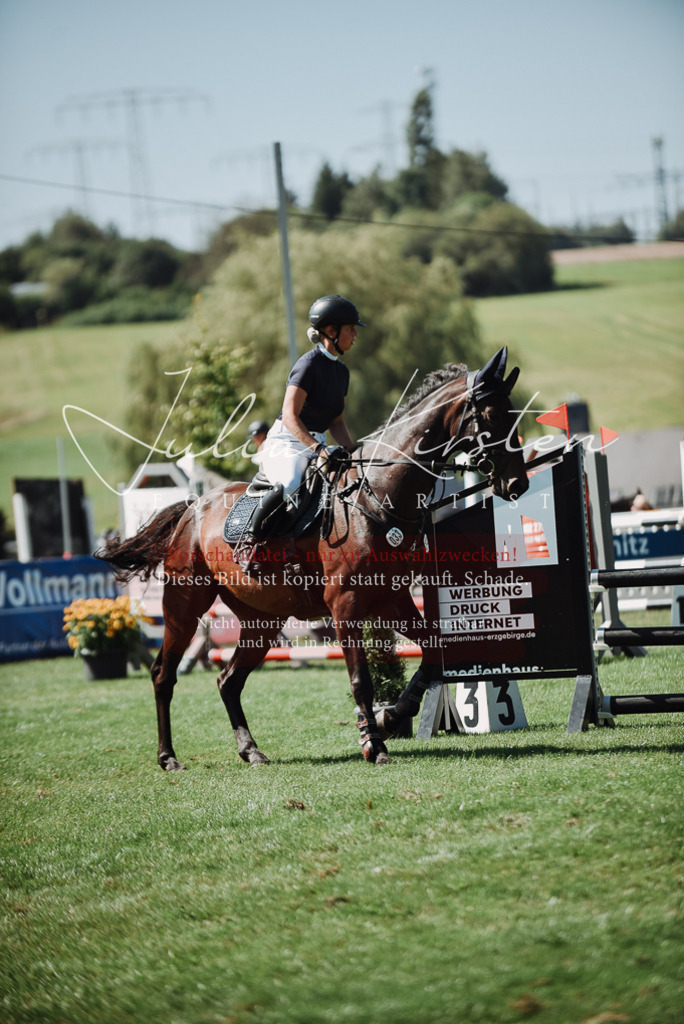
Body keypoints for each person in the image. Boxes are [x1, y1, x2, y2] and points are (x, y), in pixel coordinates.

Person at [246, 294, 365, 540]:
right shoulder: (307, 365)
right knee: (290, 483)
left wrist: (354, 452)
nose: (355, 334)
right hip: (287, 443)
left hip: (318, 445)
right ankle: (252, 542)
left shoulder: (342, 372)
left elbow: (337, 422)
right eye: (351, 329)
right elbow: (290, 416)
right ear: (331, 331)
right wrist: (319, 449)